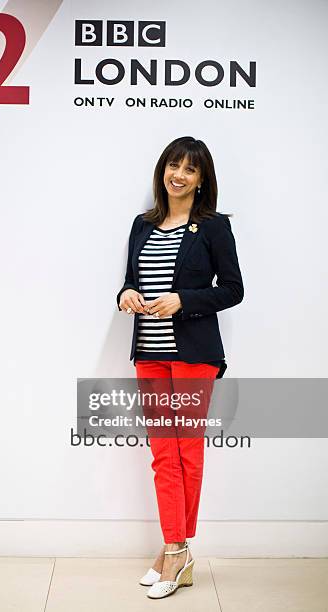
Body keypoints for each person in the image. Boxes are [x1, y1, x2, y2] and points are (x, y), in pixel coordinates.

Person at [116, 136, 244, 600]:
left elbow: (233, 289)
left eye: (190, 169)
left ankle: (175, 548)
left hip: (193, 354)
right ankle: (177, 547)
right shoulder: (142, 224)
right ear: (163, 170)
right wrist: (126, 294)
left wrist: (184, 301)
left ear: (202, 178)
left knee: (187, 453)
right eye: (174, 165)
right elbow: (132, 278)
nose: (180, 175)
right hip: (149, 352)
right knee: (162, 454)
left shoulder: (212, 227)